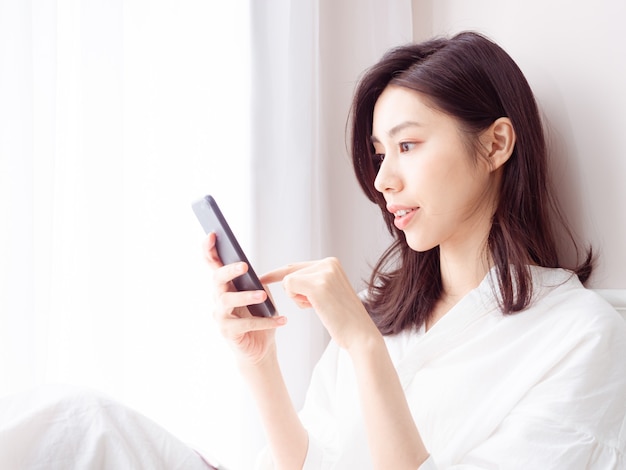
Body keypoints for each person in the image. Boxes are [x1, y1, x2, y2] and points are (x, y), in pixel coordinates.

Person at [204, 31, 626, 469]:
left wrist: (366, 348)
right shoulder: (376, 313)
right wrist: (260, 360)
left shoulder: (580, 338)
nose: (383, 180)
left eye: (407, 146)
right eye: (380, 153)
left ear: (495, 144)